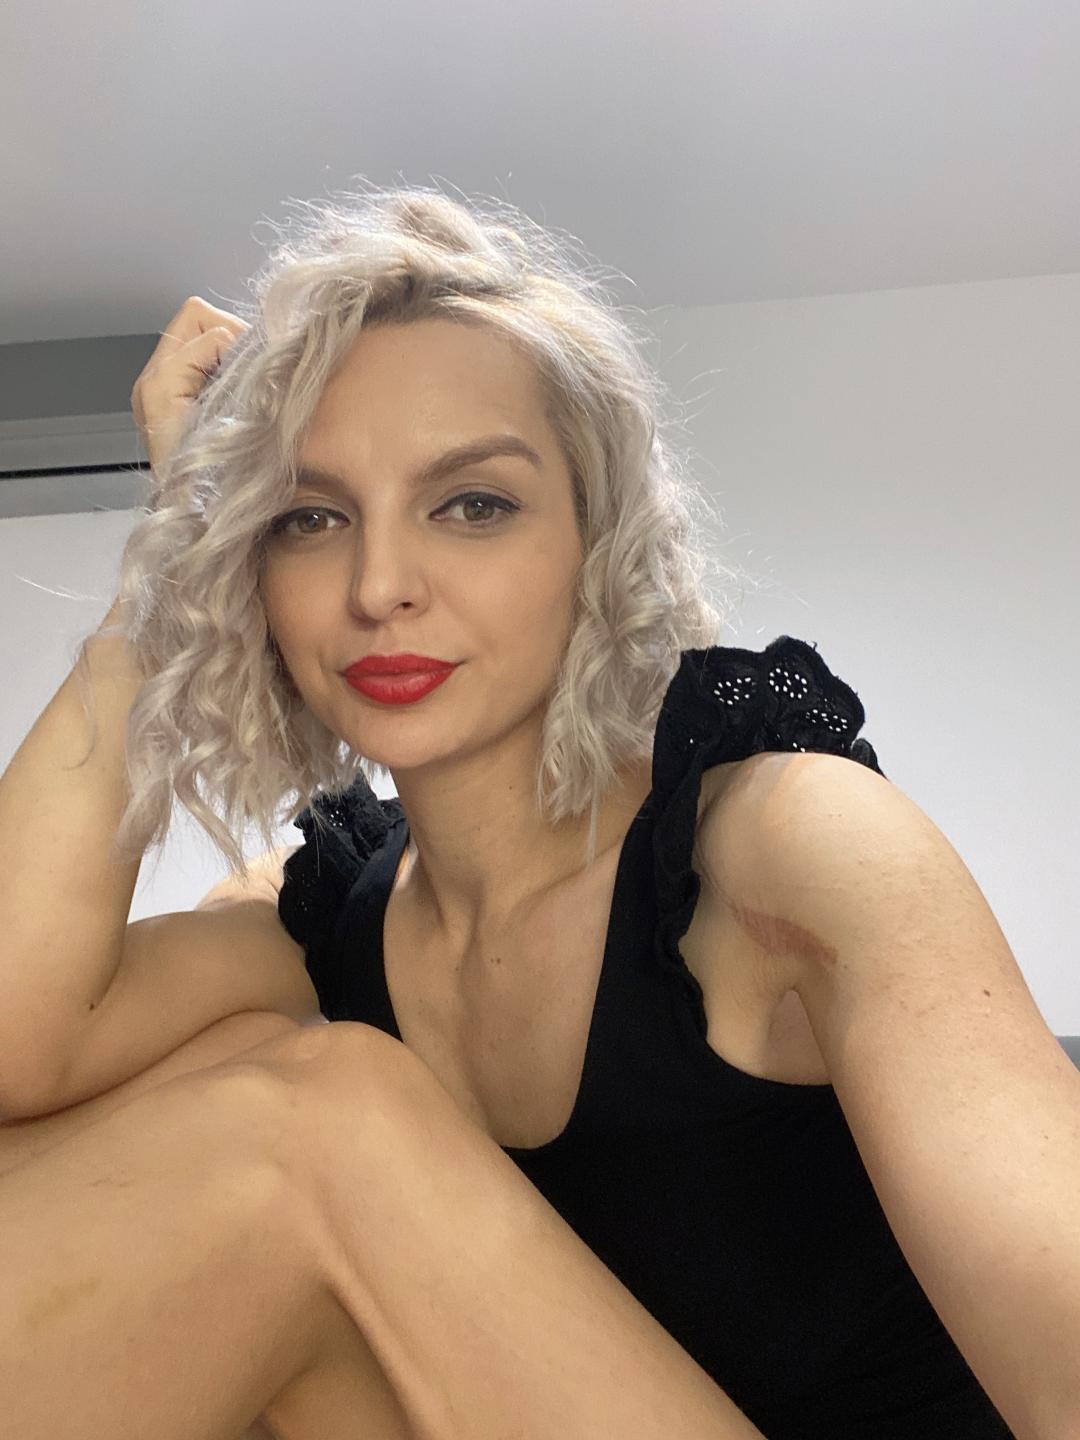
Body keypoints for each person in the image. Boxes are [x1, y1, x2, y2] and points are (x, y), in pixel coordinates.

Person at [2, 184, 1073, 1440]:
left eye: (473, 504)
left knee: (318, 1124)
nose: (380, 586)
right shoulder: (321, 925)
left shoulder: (783, 846)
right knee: (151, 1121)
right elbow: (21, 1050)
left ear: (596, 544)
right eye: (308, 516)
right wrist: (174, 556)